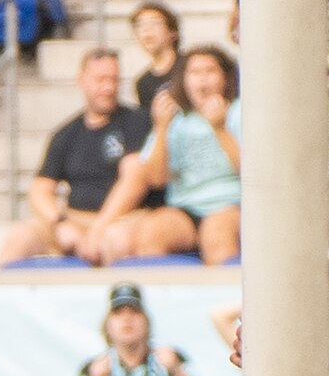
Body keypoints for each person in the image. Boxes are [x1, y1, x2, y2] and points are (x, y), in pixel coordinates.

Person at [0, 48, 149, 264]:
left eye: (114, 79)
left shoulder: (136, 121)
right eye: (100, 79)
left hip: (123, 219)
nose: (108, 87)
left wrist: (98, 229)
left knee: (115, 241)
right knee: (20, 237)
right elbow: (40, 189)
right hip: (75, 217)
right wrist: (60, 222)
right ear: (82, 80)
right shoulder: (66, 134)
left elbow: (133, 183)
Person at [95, 43, 241, 266]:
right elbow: (156, 179)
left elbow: (250, 171)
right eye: (194, 73)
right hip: (185, 207)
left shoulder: (239, 111)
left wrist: (220, 129)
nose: (202, 80)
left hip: (229, 203)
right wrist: (161, 129)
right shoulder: (175, 119)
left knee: (216, 235)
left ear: (225, 78)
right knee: (151, 234)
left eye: (210, 71)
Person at [69, 282, 216, 376]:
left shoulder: (171, 361)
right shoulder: (95, 368)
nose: (127, 319)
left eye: (134, 312)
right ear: (107, 325)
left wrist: (177, 373)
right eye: (118, 313)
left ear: (146, 321)